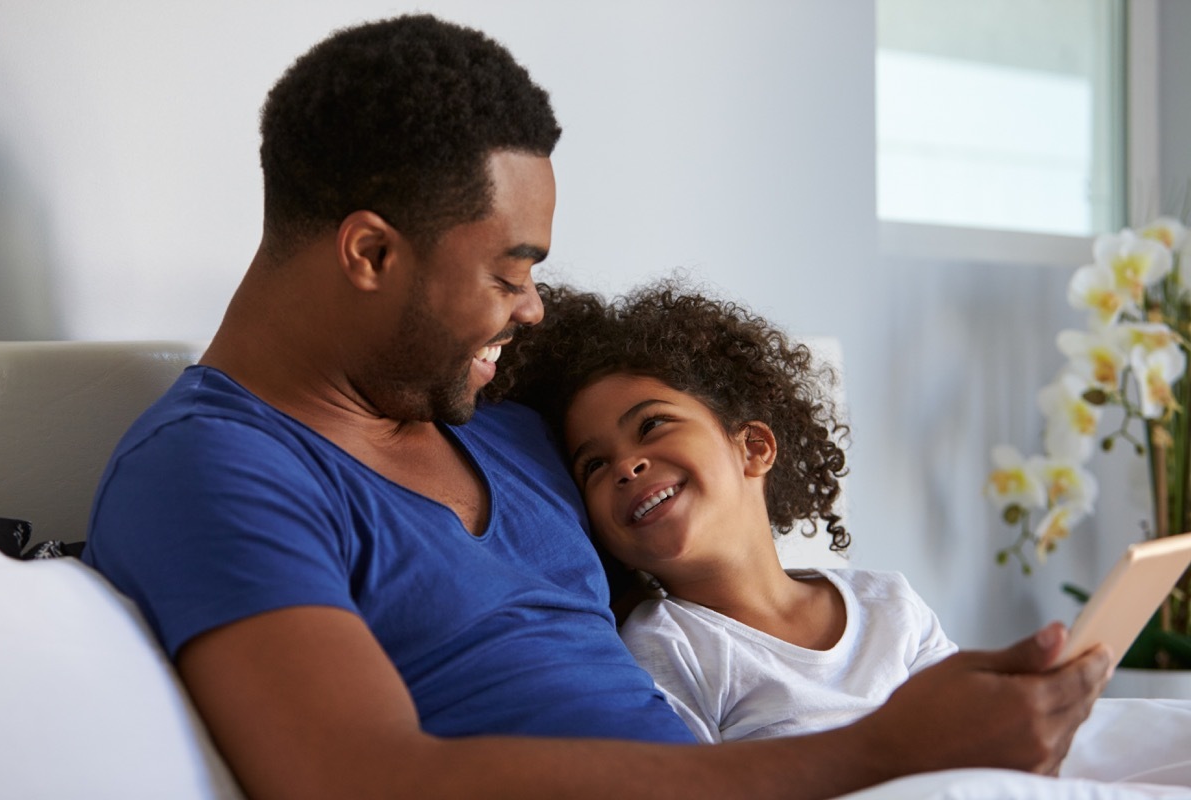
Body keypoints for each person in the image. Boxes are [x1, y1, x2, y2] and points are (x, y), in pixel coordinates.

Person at [81, 14, 1111, 800]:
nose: (530, 308)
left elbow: (730, 568)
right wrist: (875, 749)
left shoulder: (526, 432)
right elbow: (368, 776)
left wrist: (937, 702)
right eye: (509, 271)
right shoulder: (215, 470)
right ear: (370, 252)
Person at [488, 281, 960, 743]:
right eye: (594, 465)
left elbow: (977, 741)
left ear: (754, 447)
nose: (627, 467)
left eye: (651, 425)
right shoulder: (668, 645)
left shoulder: (890, 603)